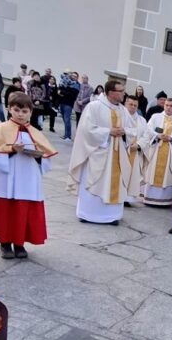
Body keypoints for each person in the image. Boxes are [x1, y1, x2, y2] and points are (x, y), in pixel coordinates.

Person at [0, 92, 55, 259]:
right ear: (9, 109)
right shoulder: (0, 129)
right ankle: (5, 244)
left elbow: (46, 157)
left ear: (31, 112)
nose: (20, 114)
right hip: (6, 177)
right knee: (5, 208)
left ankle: (20, 243)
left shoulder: (35, 132)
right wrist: (11, 151)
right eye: (16, 110)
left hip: (27, 176)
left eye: (24, 111)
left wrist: (39, 157)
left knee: (23, 209)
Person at [68, 78, 130, 225]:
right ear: (111, 93)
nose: (123, 94)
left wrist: (124, 132)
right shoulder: (94, 107)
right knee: (94, 181)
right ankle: (88, 214)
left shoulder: (122, 110)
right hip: (98, 153)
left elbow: (132, 130)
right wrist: (108, 132)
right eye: (120, 91)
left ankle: (112, 216)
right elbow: (86, 130)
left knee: (113, 182)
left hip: (117, 155)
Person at [140, 96, 172, 206]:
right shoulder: (156, 117)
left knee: (168, 175)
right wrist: (158, 135)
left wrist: (171, 138)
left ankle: (165, 200)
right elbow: (148, 130)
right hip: (156, 149)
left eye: (171, 106)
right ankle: (149, 197)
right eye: (167, 105)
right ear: (164, 105)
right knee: (152, 172)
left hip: (171, 151)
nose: (169, 108)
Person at [122, 93, 147, 204]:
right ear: (125, 103)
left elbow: (146, 136)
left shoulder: (142, 120)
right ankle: (118, 194)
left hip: (135, 152)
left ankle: (128, 198)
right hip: (122, 150)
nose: (132, 107)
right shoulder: (120, 116)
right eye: (130, 104)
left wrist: (138, 145)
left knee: (132, 175)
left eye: (135, 105)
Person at [57, 70, 80, 141]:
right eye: (72, 75)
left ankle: (68, 137)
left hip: (68, 104)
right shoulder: (67, 82)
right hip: (62, 102)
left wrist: (63, 92)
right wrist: (62, 91)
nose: (73, 77)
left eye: (75, 76)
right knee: (64, 119)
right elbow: (60, 89)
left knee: (67, 120)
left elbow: (72, 95)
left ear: (77, 78)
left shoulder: (76, 85)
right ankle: (66, 135)